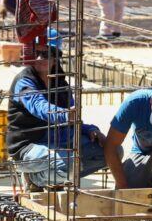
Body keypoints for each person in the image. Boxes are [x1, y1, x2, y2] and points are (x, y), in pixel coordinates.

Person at [7, 30, 108, 189]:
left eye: (46, 54)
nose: (40, 58)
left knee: (111, 151)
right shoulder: (24, 81)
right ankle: (35, 179)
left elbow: (72, 120)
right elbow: (38, 106)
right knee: (69, 162)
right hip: (28, 148)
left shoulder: (61, 85)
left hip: (59, 144)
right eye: (37, 53)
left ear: (55, 58)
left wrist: (90, 130)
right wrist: (64, 115)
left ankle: (57, 177)